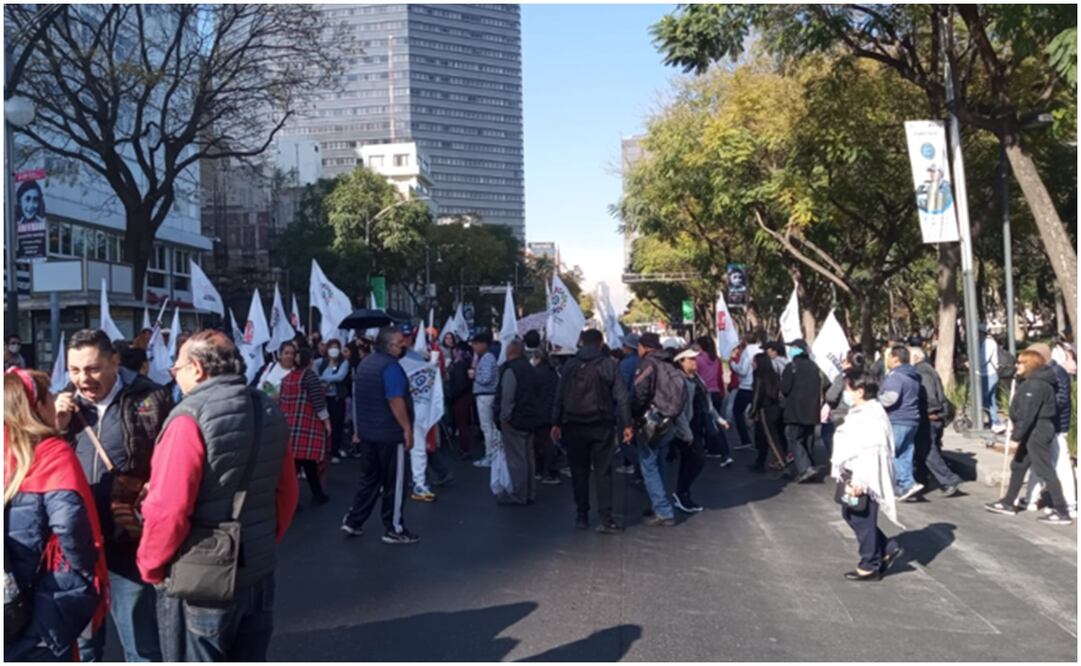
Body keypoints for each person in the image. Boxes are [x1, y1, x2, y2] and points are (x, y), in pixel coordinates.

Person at [135, 331, 297, 660]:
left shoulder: (187, 417)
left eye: (176, 368)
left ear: (196, 368)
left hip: (201, 577)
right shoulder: (267, 408)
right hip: (258, 570)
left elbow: (168, 508)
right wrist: (264, 538)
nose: (175, 376)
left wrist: (151, 565)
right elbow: (287, 492)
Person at [55, 329, 172, 662]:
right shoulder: (66, 404)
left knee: (140, 644)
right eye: (75, 370)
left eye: (92, 369)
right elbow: (46, 466)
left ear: (115, 362)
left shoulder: (151, 398)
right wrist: (58, 426)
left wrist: (156, 488)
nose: (82, 379)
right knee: (85, 645)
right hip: (80, 545)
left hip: (129, 540)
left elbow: (172, 458)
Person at [4, 368, 109, 662]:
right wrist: (85, 572)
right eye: (49, 396)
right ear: (36, 406)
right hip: (43, 597)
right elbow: (70, 523)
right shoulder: (52, 453)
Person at [341, 326, 419, 544]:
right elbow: (395, 399)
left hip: (368, 433)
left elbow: (358, 399)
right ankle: (394, 527)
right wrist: (407, 428)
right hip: (390, 434)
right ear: (389, 345)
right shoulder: (390, 367)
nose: (403, 345)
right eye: (399, 342)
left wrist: (358, 429)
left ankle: (354, 520)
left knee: (370, 479)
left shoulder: (365, 364)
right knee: (395, 482)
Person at [551, 328, 632, 532]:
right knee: (603, 472)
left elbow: (559, 395)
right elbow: (622, 397)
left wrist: (556, 423)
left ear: (581, 342)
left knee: (579, 471)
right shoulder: (609, 365)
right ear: (600, 343)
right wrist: (627, 424)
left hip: (573, 424)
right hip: (601, 424)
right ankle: (605, 518)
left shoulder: (570, 364)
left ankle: (581, 515)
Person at [830, 369, 904, 581]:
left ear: (860, 391)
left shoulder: (871, 416)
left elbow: (872, 451)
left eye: (848, 389)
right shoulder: (862, 411)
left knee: (862, 517)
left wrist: (861, 481)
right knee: (851, 514)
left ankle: (870, 563)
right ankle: (887, 547)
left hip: (863, 476)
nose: (846, 393)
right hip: (853, 471)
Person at [985, 350, 1072, 525]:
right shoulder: (1032, 383)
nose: (1017, 365)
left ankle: (1062, 511)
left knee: (1044, 469)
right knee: (1018, 465)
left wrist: (1017, 437)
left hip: (1036, 431)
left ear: (1029, 364)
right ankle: (1008, 502)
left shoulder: (1035, 385)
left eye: (1020, 362)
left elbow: (1028, 414)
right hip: (1034, 429)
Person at [631, 332, 686, 526]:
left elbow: (640, 393)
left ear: (645, 347)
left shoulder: (647, 364)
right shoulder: (669, 363)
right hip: (669, 420)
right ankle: (660, 504)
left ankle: (663, 510)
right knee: (659, 463)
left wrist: (633, 416)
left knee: (648, 465)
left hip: (652, 420)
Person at [1022, 343, 1077, 518]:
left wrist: (1042, 409)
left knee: (1059, 465)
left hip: (1055, 426)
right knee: (1039, 463)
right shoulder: (1049, 372)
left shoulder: (1055, 373)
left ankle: (1069, 504)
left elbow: (1059, 402)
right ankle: (1031, 496)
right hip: (1049, 425)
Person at [673, 347, 730, 513]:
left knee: (690, 461)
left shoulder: (696, 378)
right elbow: (679, 410)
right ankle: (681, 493)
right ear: (681, 362)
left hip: (699, 425)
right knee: (697, 459)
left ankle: (682, 492)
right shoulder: (679, 380)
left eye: (694, 358)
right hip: (686, 428)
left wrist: (719, 419)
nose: (694, 361)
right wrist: (686, 433)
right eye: (690, 359)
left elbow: (708, 403)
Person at [280, 347, 332, 507]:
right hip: (306, 425)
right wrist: (327, 422)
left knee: (303, 462)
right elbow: (318, 403)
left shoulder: (288, 378)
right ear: (310, 361)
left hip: (290, 424)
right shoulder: (309, 377)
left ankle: (317, 494)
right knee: (301, 463)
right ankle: (291, 500)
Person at [910, 346, 963, 497]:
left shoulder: (922, 371)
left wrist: (930, 412)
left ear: (915, 358)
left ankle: (949, 480)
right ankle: (921, 481)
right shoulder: (926, 369)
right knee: (923, 450)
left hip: (930, 417)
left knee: (927, 450)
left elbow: (930, 396)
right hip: (933, 416)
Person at [498, 340, 543, 505]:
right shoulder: (531, 369)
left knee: (516, 458)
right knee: (528, 456)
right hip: (530, 417)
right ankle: (530, 491)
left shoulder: (511, 370)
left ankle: (519, 493)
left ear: (510, 352)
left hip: (515, 419)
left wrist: (504, 417)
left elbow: (507, 396)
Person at [878, 345, 925, 501]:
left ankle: (902, 483)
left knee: (891, 453)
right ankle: (906, 485)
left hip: (897, 420)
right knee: (904, 453)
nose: (887, 360)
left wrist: (874, 401)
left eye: (889, 357)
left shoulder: (896, 377)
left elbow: (890, 398)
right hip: (912, 420)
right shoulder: (913, 376)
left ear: (895, 358)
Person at [779, 339, 822, 484]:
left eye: (792, 347)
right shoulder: (814, 366)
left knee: (794, 438)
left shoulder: (792, 366)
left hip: (795, 411)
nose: (790, 350)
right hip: (812, 411)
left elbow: (784, 388)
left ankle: (805, 468)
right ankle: (810, 465)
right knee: (808, 439)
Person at [695, 336, 732, 465]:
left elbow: (696, 378)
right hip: (716, 392)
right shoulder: (716, 360)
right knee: (713, 421)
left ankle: (725, 453)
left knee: (712, 424)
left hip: (705, 394)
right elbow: (720, 377)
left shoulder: (698, 360)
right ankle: (714, 449)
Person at [529, 343, 561, 485]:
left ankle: (543, 470)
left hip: (539, 412)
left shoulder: (535, 374)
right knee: (548, 442)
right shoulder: (552, 372)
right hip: (551, 411)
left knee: (540, 443)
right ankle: (549, 470)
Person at [749, 352, 786, 473]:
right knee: (762, 438)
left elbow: (757, 396)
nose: (752, 364)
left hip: (765, 411)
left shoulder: (759, 377)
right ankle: (759, 462)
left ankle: (782, 464)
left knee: (771, 439)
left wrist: (752, 412)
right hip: (776, 408)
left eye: (754, 362)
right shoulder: (774, 375)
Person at [470, 329, 501, 468]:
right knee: (490, 427)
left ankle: (490, 456)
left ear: (483, 344)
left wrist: (475, 374)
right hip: (487, 395)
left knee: (487, 427)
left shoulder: (487, 358)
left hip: (485, 395)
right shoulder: (487, 357)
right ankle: (493, 454)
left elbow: (486, 378)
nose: (474, 346)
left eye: (476, 343)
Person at [729, 331, 763, 450]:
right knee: (759, 415)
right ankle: (760, 442)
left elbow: (742, 370)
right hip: (759, 386)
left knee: (737, 412)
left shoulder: (746, 352)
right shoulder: (761, 349)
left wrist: (733, 364)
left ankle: (745, 439)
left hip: (746, 387)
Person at [318, 339, 351, 463]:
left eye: (336, 347)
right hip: (323, 398)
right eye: (331, 347)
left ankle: (335, 450)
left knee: (337, 425)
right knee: (324, 424)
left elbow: (339, 377)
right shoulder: (321, 362)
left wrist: (323, 379)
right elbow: (313, 372)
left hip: (337, 398)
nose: (333, 350)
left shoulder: (344, 362)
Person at [447, 341, 475, 458]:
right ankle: (464, 448)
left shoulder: (459, 365)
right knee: (464, 423)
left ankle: (465, 449)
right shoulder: (466, 362)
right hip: (465, 396)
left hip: (460, 397)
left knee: (462, 424)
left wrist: (452, 394)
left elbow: (460, 384)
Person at [977, 325, 1004, 433]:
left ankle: (996, 421)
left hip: (988, 374)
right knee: (990, 400)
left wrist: (973, 364)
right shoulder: (983, 343)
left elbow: (984, 359)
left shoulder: (988, 343)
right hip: (986, 374)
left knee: (984, 399)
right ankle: (994, 422)